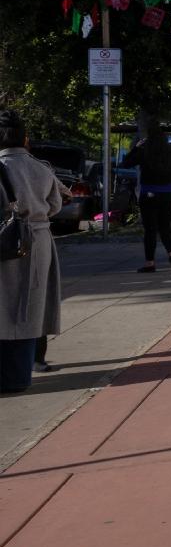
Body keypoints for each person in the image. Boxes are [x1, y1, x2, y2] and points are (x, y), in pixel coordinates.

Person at [0, 111, 63, 395]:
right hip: (37, 241)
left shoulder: (2, 166)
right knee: (30, 307)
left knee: (3, 307)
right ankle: (21, 374)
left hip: (4, 243)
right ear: (24, 137)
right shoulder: (41, 168)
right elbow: (56, 205)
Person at [125, 125, 171, 272]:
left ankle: (150, 263)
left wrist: (137, 147)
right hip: (169, 193)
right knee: (165, 225)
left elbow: (126, 163)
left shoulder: (145, 150)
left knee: (150, 229)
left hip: (149, 193)